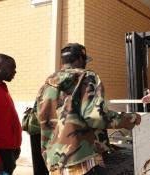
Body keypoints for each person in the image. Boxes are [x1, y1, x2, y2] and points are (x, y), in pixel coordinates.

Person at [36, 43, 141, 175]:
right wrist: (129, 118)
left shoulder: (46, 86)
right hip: (83, 161)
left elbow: (31, 123)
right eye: (85, 60)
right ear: (80, 59)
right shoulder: (87, 77)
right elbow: (95, 116)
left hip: (55, 163)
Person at [0, 54, 21, 175]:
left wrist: (15, 147)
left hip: (8, 151)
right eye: (12, 67)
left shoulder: (1, 88)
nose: (15, 71)